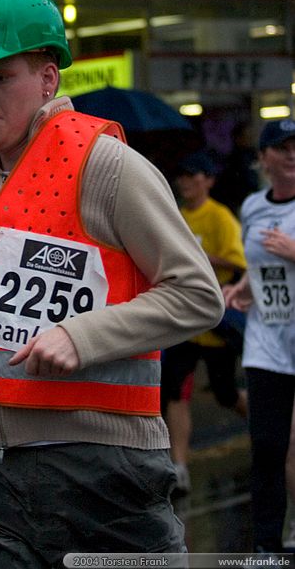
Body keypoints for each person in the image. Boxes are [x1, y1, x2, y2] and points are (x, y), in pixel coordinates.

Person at [0, 0, 224, 567]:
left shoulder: (106, 165)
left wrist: (80, 337)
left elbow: (198, 296)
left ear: (49, 77)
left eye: (0, 77)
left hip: (102, 464)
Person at [224, 118, 295, 554]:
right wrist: (242, 288)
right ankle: (267, 545)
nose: (291, 155)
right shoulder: (252, 207)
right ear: (263, 158)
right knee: (267, 447)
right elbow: (258, 265)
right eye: (282, 148)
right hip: (266, 343)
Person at [162, 150, 247, 495]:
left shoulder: (220, 217)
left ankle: (275, 431)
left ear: (208, 180)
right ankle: (178, 466)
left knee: (225, 392)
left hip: (216, 323)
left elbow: (238, 264)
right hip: (184, 322)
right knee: (175, 391)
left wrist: (201, 257)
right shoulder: (176, 216)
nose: (186, 183)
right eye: (182, 176)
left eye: (193, 176)